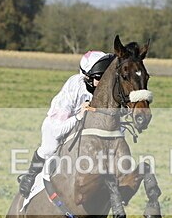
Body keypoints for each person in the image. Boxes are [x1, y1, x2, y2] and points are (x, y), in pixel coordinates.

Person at [17, 50, 115, 198]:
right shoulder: (75, 85)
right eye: (99, 77)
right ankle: (29, 176)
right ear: (87, 77)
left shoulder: (106, 89)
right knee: (49, 148)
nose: (104, 82)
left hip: (86, 129)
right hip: (59, 125)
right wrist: (79, 117)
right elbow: (57, 130)